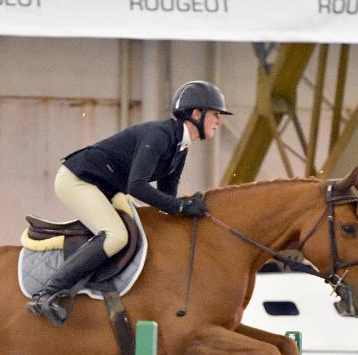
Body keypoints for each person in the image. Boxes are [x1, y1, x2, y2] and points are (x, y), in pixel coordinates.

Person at [27, 80, 231, 324]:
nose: (219, 121)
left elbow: (167, 198)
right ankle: (46, 294)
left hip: (105, 187)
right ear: (197, 114)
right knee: (116, 236)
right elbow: (137, 186)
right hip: (78, 180)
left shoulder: (180, 147)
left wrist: (185, 210)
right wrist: (180, 207)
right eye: (216, 114)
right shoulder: (160, 135)